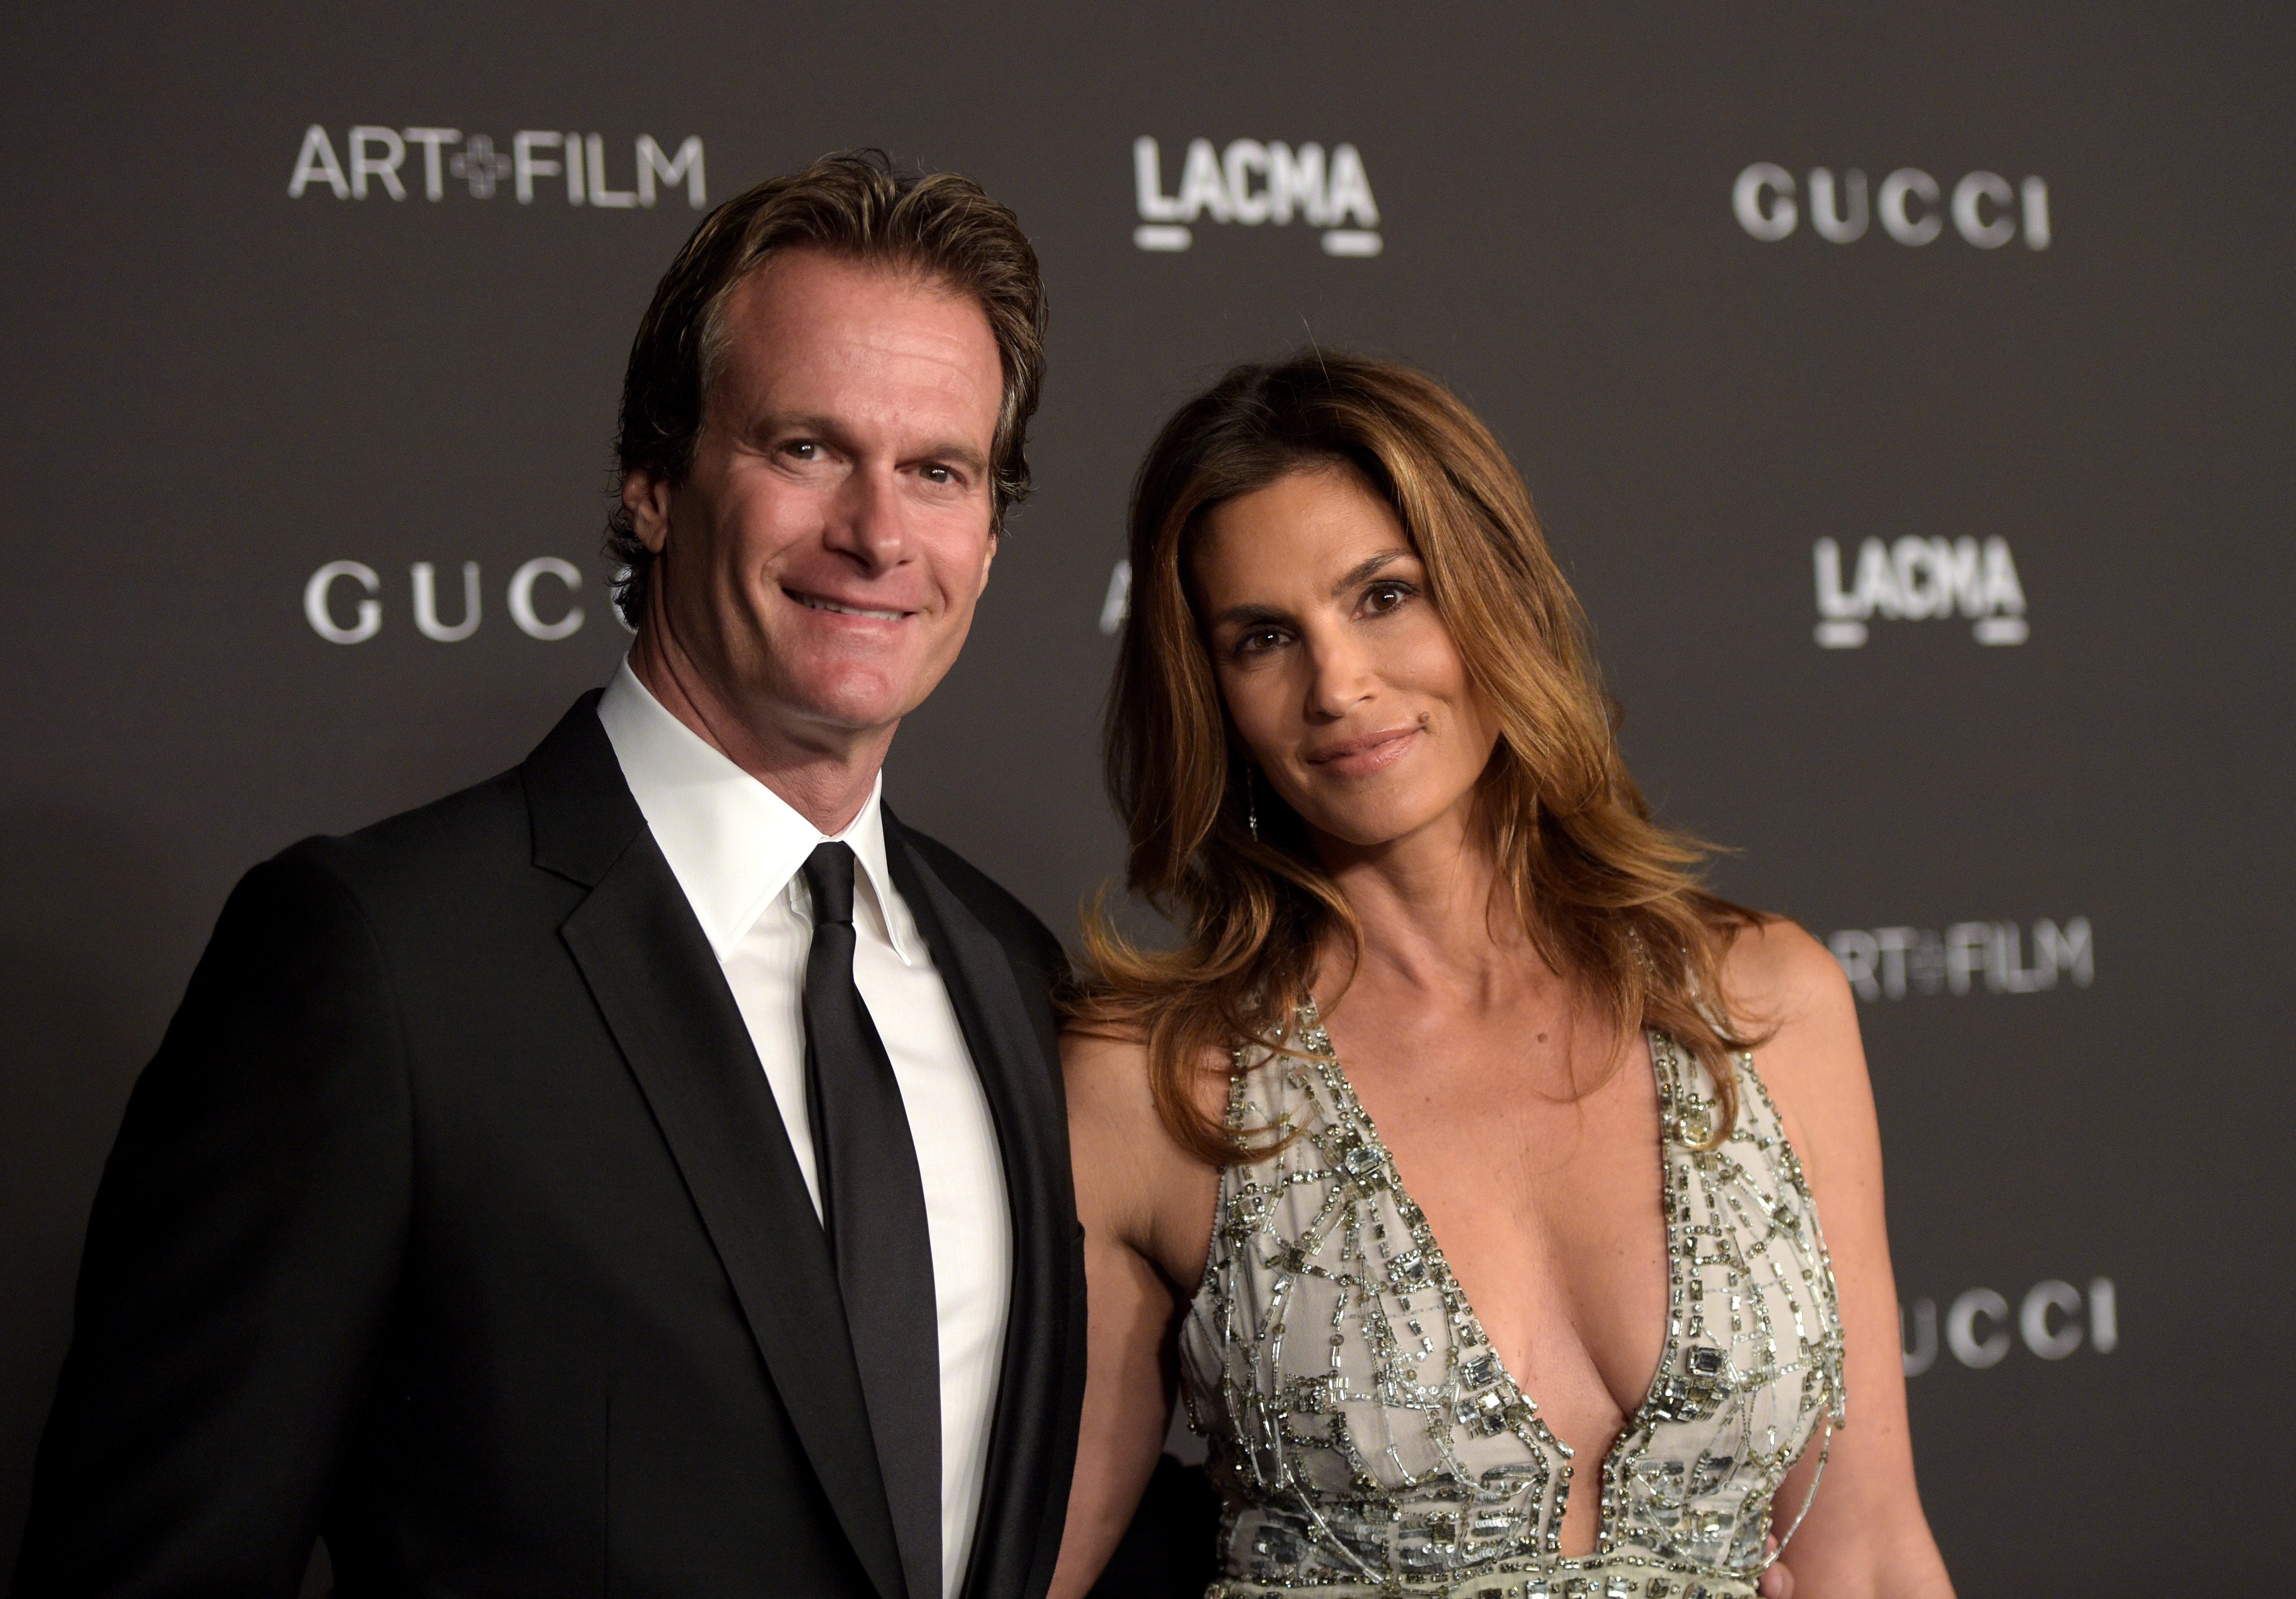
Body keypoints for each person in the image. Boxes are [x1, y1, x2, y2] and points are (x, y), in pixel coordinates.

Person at [15, 151, 1084, 1599]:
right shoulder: (378, 962)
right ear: (651, 484)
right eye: (806, 448)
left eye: (937, 471)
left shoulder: (1014, 976)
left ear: (989, 531)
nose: (878, 533)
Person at [1052, 353, 1954, 1598]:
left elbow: (1865, 1552)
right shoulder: (1153, 1089)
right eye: (1263, 638)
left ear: (1493, 597)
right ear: (1208, 691)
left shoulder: (1758, 1003)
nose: (1338, 685)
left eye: (1384, 597)